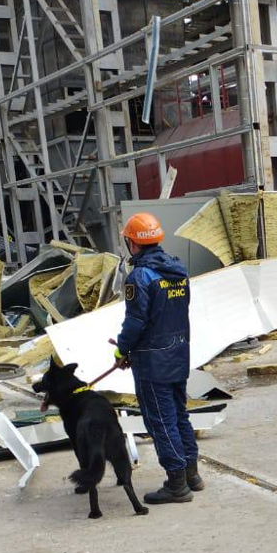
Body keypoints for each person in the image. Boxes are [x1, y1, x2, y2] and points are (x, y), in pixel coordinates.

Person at [114, 212, 202, 504]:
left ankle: (177, 484)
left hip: (153, 361)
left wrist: (122, 349)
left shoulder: (140, 277)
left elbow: (136, 322)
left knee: (161, 421)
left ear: (134, 244)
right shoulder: (178, 269)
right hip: (178, 354)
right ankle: (192, 474)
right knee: (179, 416)